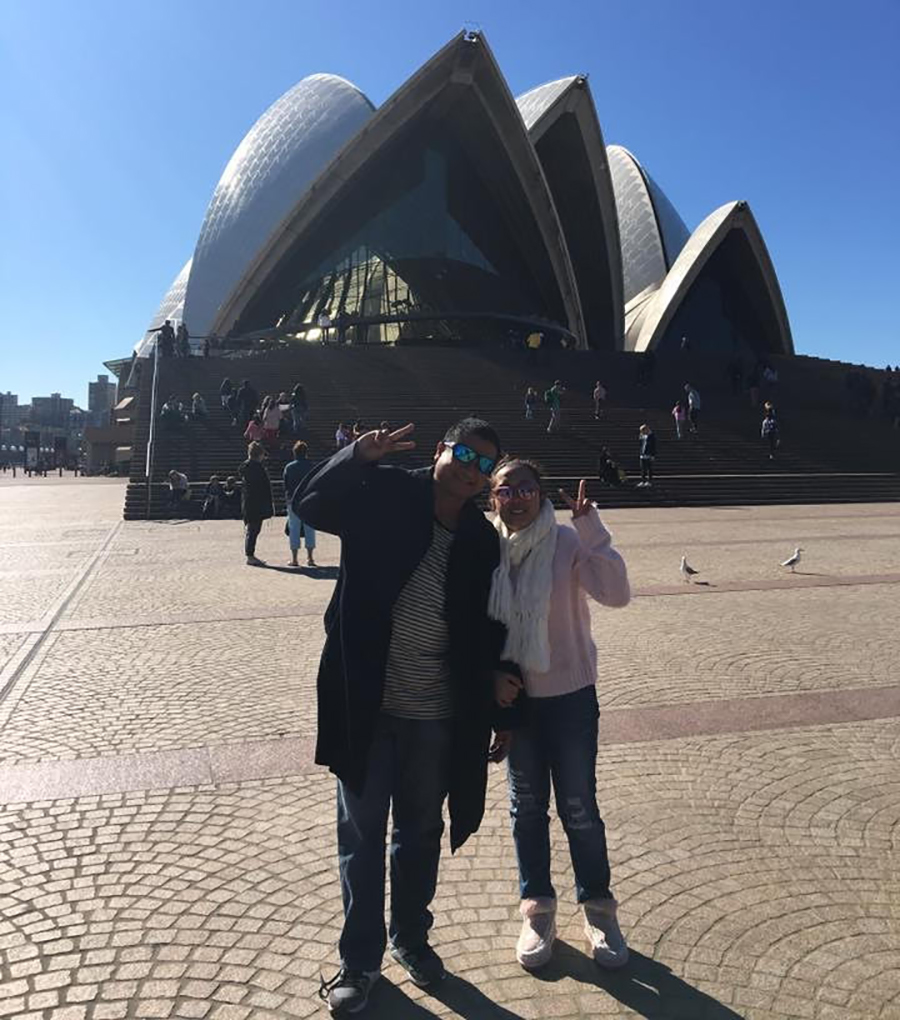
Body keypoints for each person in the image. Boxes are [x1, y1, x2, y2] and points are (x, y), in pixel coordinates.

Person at [295, 418, 515, 1015]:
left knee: (419, 833)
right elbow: (309, 503)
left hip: (438, 714)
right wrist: (355, 457)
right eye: (464, 452)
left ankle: (411, 939)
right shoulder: (386, 490)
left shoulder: (480, 536)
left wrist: (499, 683)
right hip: (368, 703)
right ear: (442, 449)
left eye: (484, 463)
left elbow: (491, 621)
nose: (472, 468)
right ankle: (359, 960)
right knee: (362, 836)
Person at [488, 461, 630, 972]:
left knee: (579, 809)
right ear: (494, 498)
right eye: (507, 490)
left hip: (570, 697)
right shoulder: (489, 549)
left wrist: (591, 528)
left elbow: (617, 594)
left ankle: (598, 906)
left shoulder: (568, 542)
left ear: (541, 494)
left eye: (527, 488)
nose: (518, 497)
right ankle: (538, 907)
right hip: (517, 702)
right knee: (526, 808)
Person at [283, 441, 317, 567]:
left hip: (293, 501)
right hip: (308, 500)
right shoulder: (312, 466)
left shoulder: (289, 467)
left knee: (294, 529)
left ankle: (295, 558)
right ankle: (310, 558)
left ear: (294, 453)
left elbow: (286, 485)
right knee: (310, 528)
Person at [239, 441, 273, 566]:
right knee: (253, 530)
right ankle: (250, 555)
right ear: (259, 455)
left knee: (252, 530)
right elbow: (262, 488)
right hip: (256, 504)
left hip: (249, 503)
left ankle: (250, 554)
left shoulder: (247, 467)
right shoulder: (257, 468)